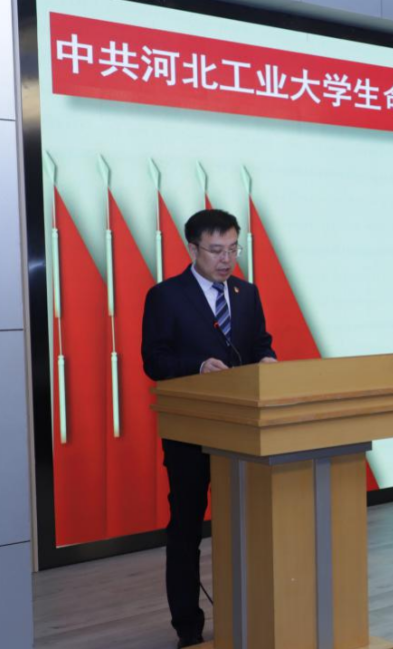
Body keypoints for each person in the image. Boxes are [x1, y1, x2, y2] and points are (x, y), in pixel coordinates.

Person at [141, 209, 276, 649]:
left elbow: (259, 343)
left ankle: (249, 615)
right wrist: (197, 366)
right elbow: (154, 360)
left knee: (247, 525)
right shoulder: (166, 296)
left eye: (234, 249)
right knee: (186, 530)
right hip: (191, 433)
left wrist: (268, 360)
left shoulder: (247, 293)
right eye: (216, 250)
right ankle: (189, 628)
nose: (227, 259)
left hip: (245, 430)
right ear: (192, 248)